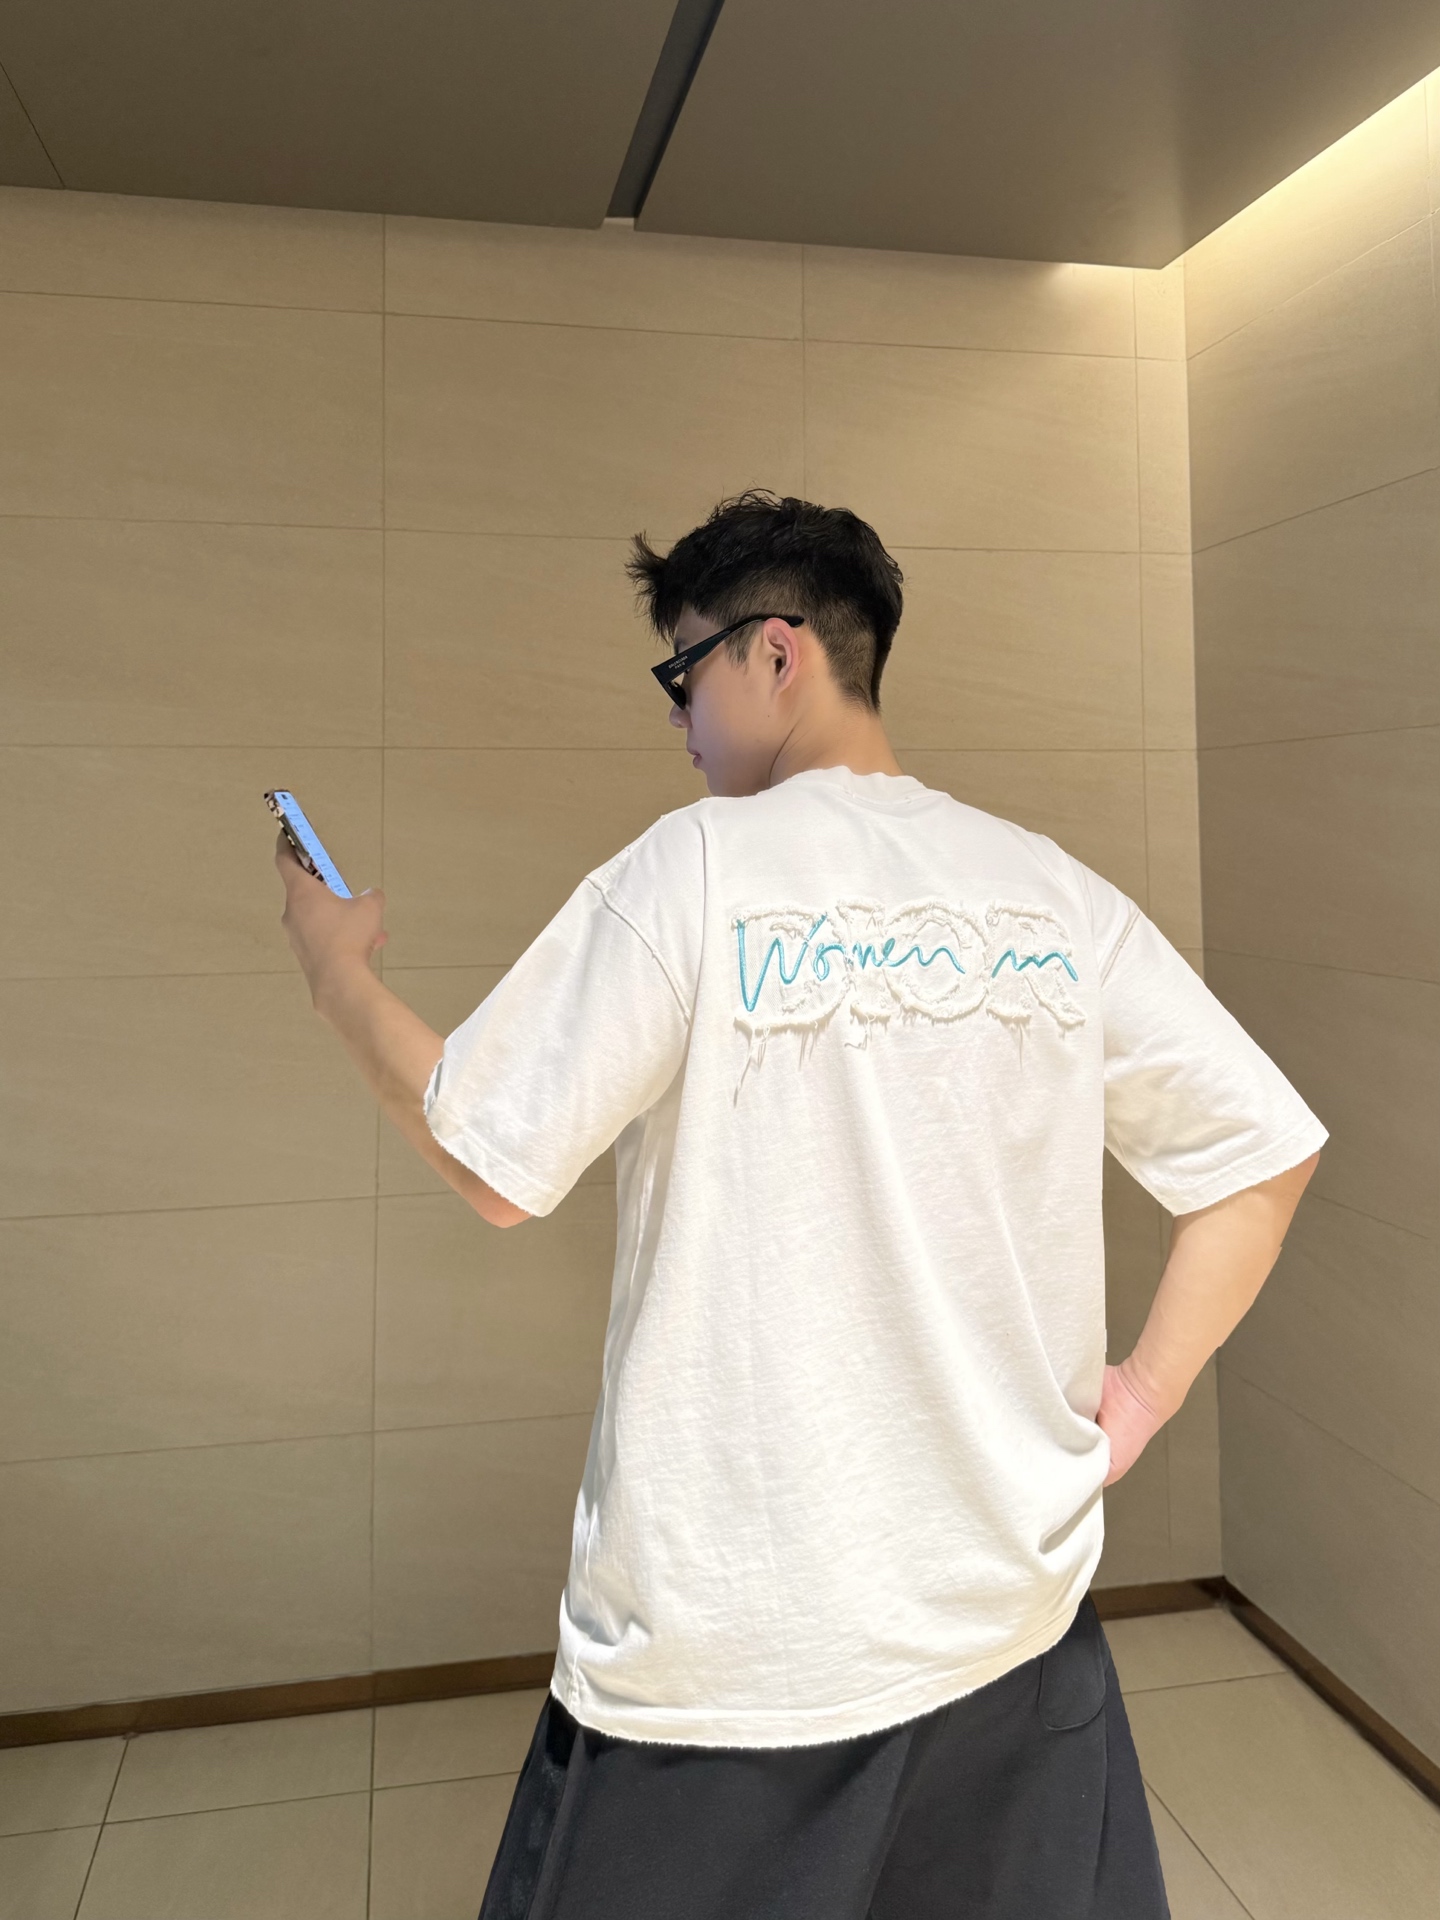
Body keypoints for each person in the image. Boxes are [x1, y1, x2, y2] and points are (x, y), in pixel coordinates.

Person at [276, 491, 1325, 1919]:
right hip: (1019, 1633)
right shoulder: (1051, 893)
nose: (678, 722)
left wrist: (335, 972)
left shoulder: (692, 869)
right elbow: (1262, 1160)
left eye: (682, 675)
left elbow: (490, 1158)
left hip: (734, 1675)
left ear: (776, 653)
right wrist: (1135, 1402)